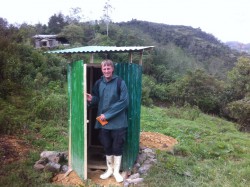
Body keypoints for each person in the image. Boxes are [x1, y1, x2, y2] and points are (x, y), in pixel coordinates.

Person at [87, 59, 129, 183]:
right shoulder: (99, 83)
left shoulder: (120, 82)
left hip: (118, 122)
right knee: (106, 146)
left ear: (112, 69)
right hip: (103, 122)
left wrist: (108, 114)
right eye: (104, 69)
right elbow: (97, 99)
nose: (106, 71)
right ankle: (109, 169)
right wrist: (91, 99)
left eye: (108, 68)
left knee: (117, 146)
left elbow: (124, 102)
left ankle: (116, 171)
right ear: (102, 70)